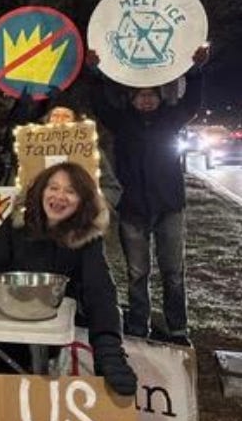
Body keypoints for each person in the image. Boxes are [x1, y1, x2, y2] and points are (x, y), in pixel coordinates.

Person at [0, 161, 138, 396]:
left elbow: (99, 293)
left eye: (70, 191)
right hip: (7, 336)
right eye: (53, 187)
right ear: (42, 190)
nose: (60, 196)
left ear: (82, 200)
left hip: (58, 341)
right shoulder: (16, 226)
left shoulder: (87, 238)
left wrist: (108, 352)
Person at [88, 46, 208, 345]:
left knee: (173, 272)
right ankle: (139, 326)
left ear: (160, 97)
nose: (146, 99)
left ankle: (177, 328)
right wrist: (93, 73)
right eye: (140, 95)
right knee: (137, 274)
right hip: (133, 210)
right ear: (132, 99)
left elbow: (192, 101)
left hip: (170, 207)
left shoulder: (172, 118)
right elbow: (99, 104)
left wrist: (196, 71)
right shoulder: (121, 122)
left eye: (151, 95)